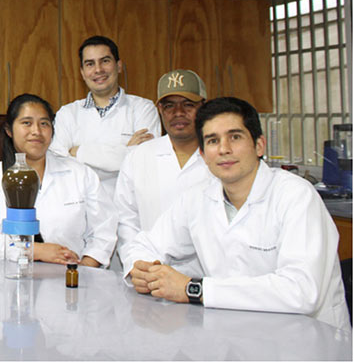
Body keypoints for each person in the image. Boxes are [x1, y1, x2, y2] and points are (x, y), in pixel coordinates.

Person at [123, 97, 349, 329]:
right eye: (213, 140)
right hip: (231, 334)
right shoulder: (197, 198)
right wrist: (141, 269)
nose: (223, 149)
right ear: (202, 154)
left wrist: (194, 288)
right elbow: (145, 244)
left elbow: (301, 291)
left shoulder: (296, 195)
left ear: (259, 145)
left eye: (235, 137)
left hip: (308, 341)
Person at [0, 94, 117, 267]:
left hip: (70, 282)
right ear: (9, 130)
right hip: (8, 284)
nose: (36, 131)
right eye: (26, 123)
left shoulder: (80, 174)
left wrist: (83, 269)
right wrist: (36, 250)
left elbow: (103, 231)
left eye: (44, 123)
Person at [114, 69, 212, 274]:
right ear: (159, 109)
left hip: (208, 280)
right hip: (149, 275)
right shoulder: (138, 157)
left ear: (203, 106)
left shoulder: (220, 158)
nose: (178, 113)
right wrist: (138, 265)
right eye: (169, 106)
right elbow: (126, 220)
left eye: (188, 104)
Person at [50, 35, 161, 198]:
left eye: (105, 61)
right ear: (82, 72)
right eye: (90, 64)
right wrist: (126, 152)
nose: (98, 70)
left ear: (119, 66)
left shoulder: (143, 108)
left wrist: (78, 152)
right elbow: (59, 166)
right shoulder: (67, 113)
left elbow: (143, 163)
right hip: (82, 210)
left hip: (128, 210)